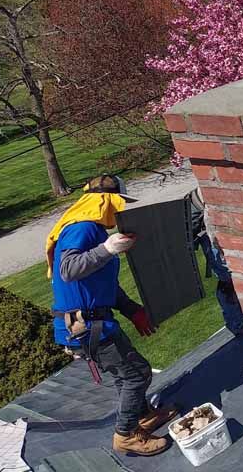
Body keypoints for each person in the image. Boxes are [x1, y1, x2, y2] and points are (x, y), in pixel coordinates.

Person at [46, 175, 178, 456]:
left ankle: (142, 416)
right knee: (137, 374)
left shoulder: (88, 230)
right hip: (85, 326)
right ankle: (126, 435)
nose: (120, 212)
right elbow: (68, 269)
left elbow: (103, 285)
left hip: (91, 322)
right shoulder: (82, 228)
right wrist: (108, 248)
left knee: (124, 374)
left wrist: (132, 310)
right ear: (105, 202)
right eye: (119, 204)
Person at [186, 188, 243, 336]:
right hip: (210, 238)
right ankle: (237, 324)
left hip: (211, 236)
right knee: (228, 281)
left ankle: (238, 323)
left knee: (228, 281)